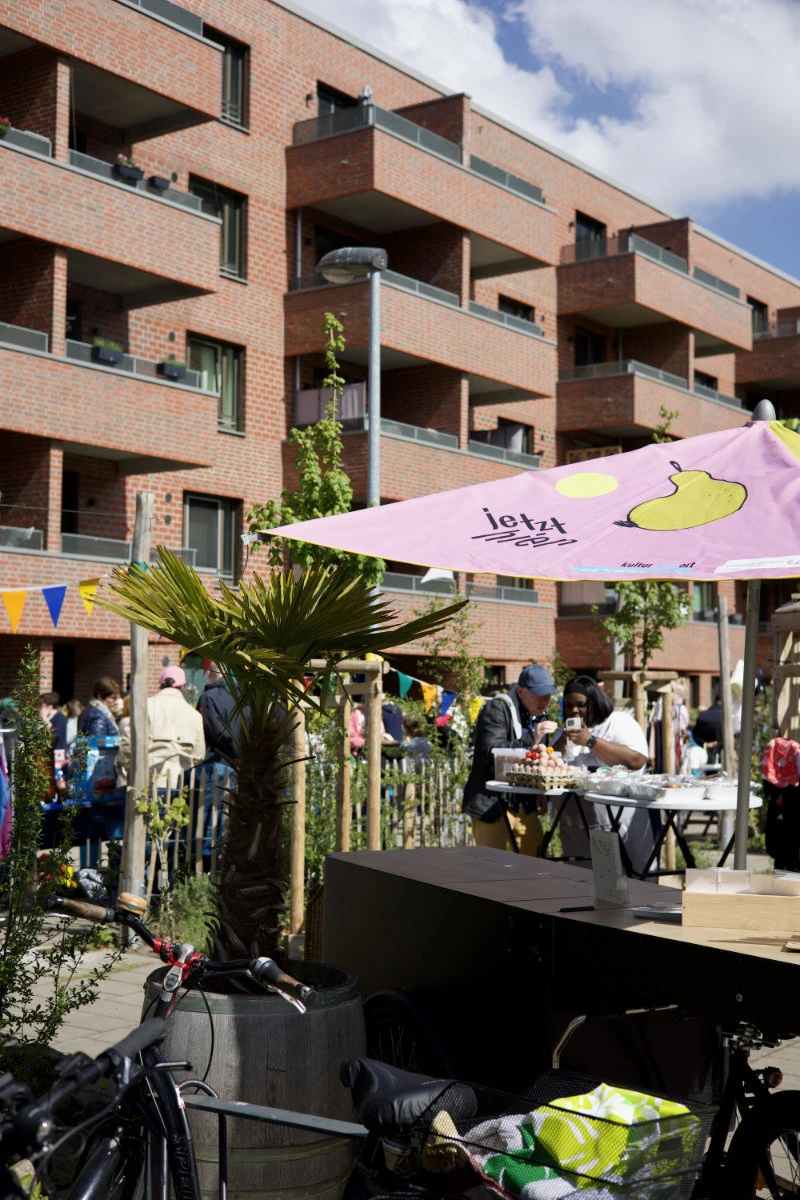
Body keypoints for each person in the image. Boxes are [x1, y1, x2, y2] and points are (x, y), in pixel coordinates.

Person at [552, 676, 652, 874]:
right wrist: (560, 745)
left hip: (619, 819)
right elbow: (549, 766)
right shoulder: (564, 732)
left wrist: (591, 741)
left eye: (581, 705)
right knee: (583, 879)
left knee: (626, 875)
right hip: (576, 824)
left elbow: (636, 761)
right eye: (569, 705)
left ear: (595, 703)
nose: (573, 711)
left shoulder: (618, 722)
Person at [462, 664, 558, 855]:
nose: (545, 700)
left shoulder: (539, 714)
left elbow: (536, 759)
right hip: (491, 804)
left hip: (524, 803)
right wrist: (533, 737)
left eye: (548, 695)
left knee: (537, 865)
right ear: (521, 691)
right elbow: (492, 751)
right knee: (490, 868)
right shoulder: (497, 708)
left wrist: (539, 791)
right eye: (539, 694)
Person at [118, 666, 205, 791]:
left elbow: (128, 744)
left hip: (147, 781)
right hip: (182, 785)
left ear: (161, 684)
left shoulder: (145, 706)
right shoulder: (195, 715)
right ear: (183, 687)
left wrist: (128, 767)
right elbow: (199, 755)